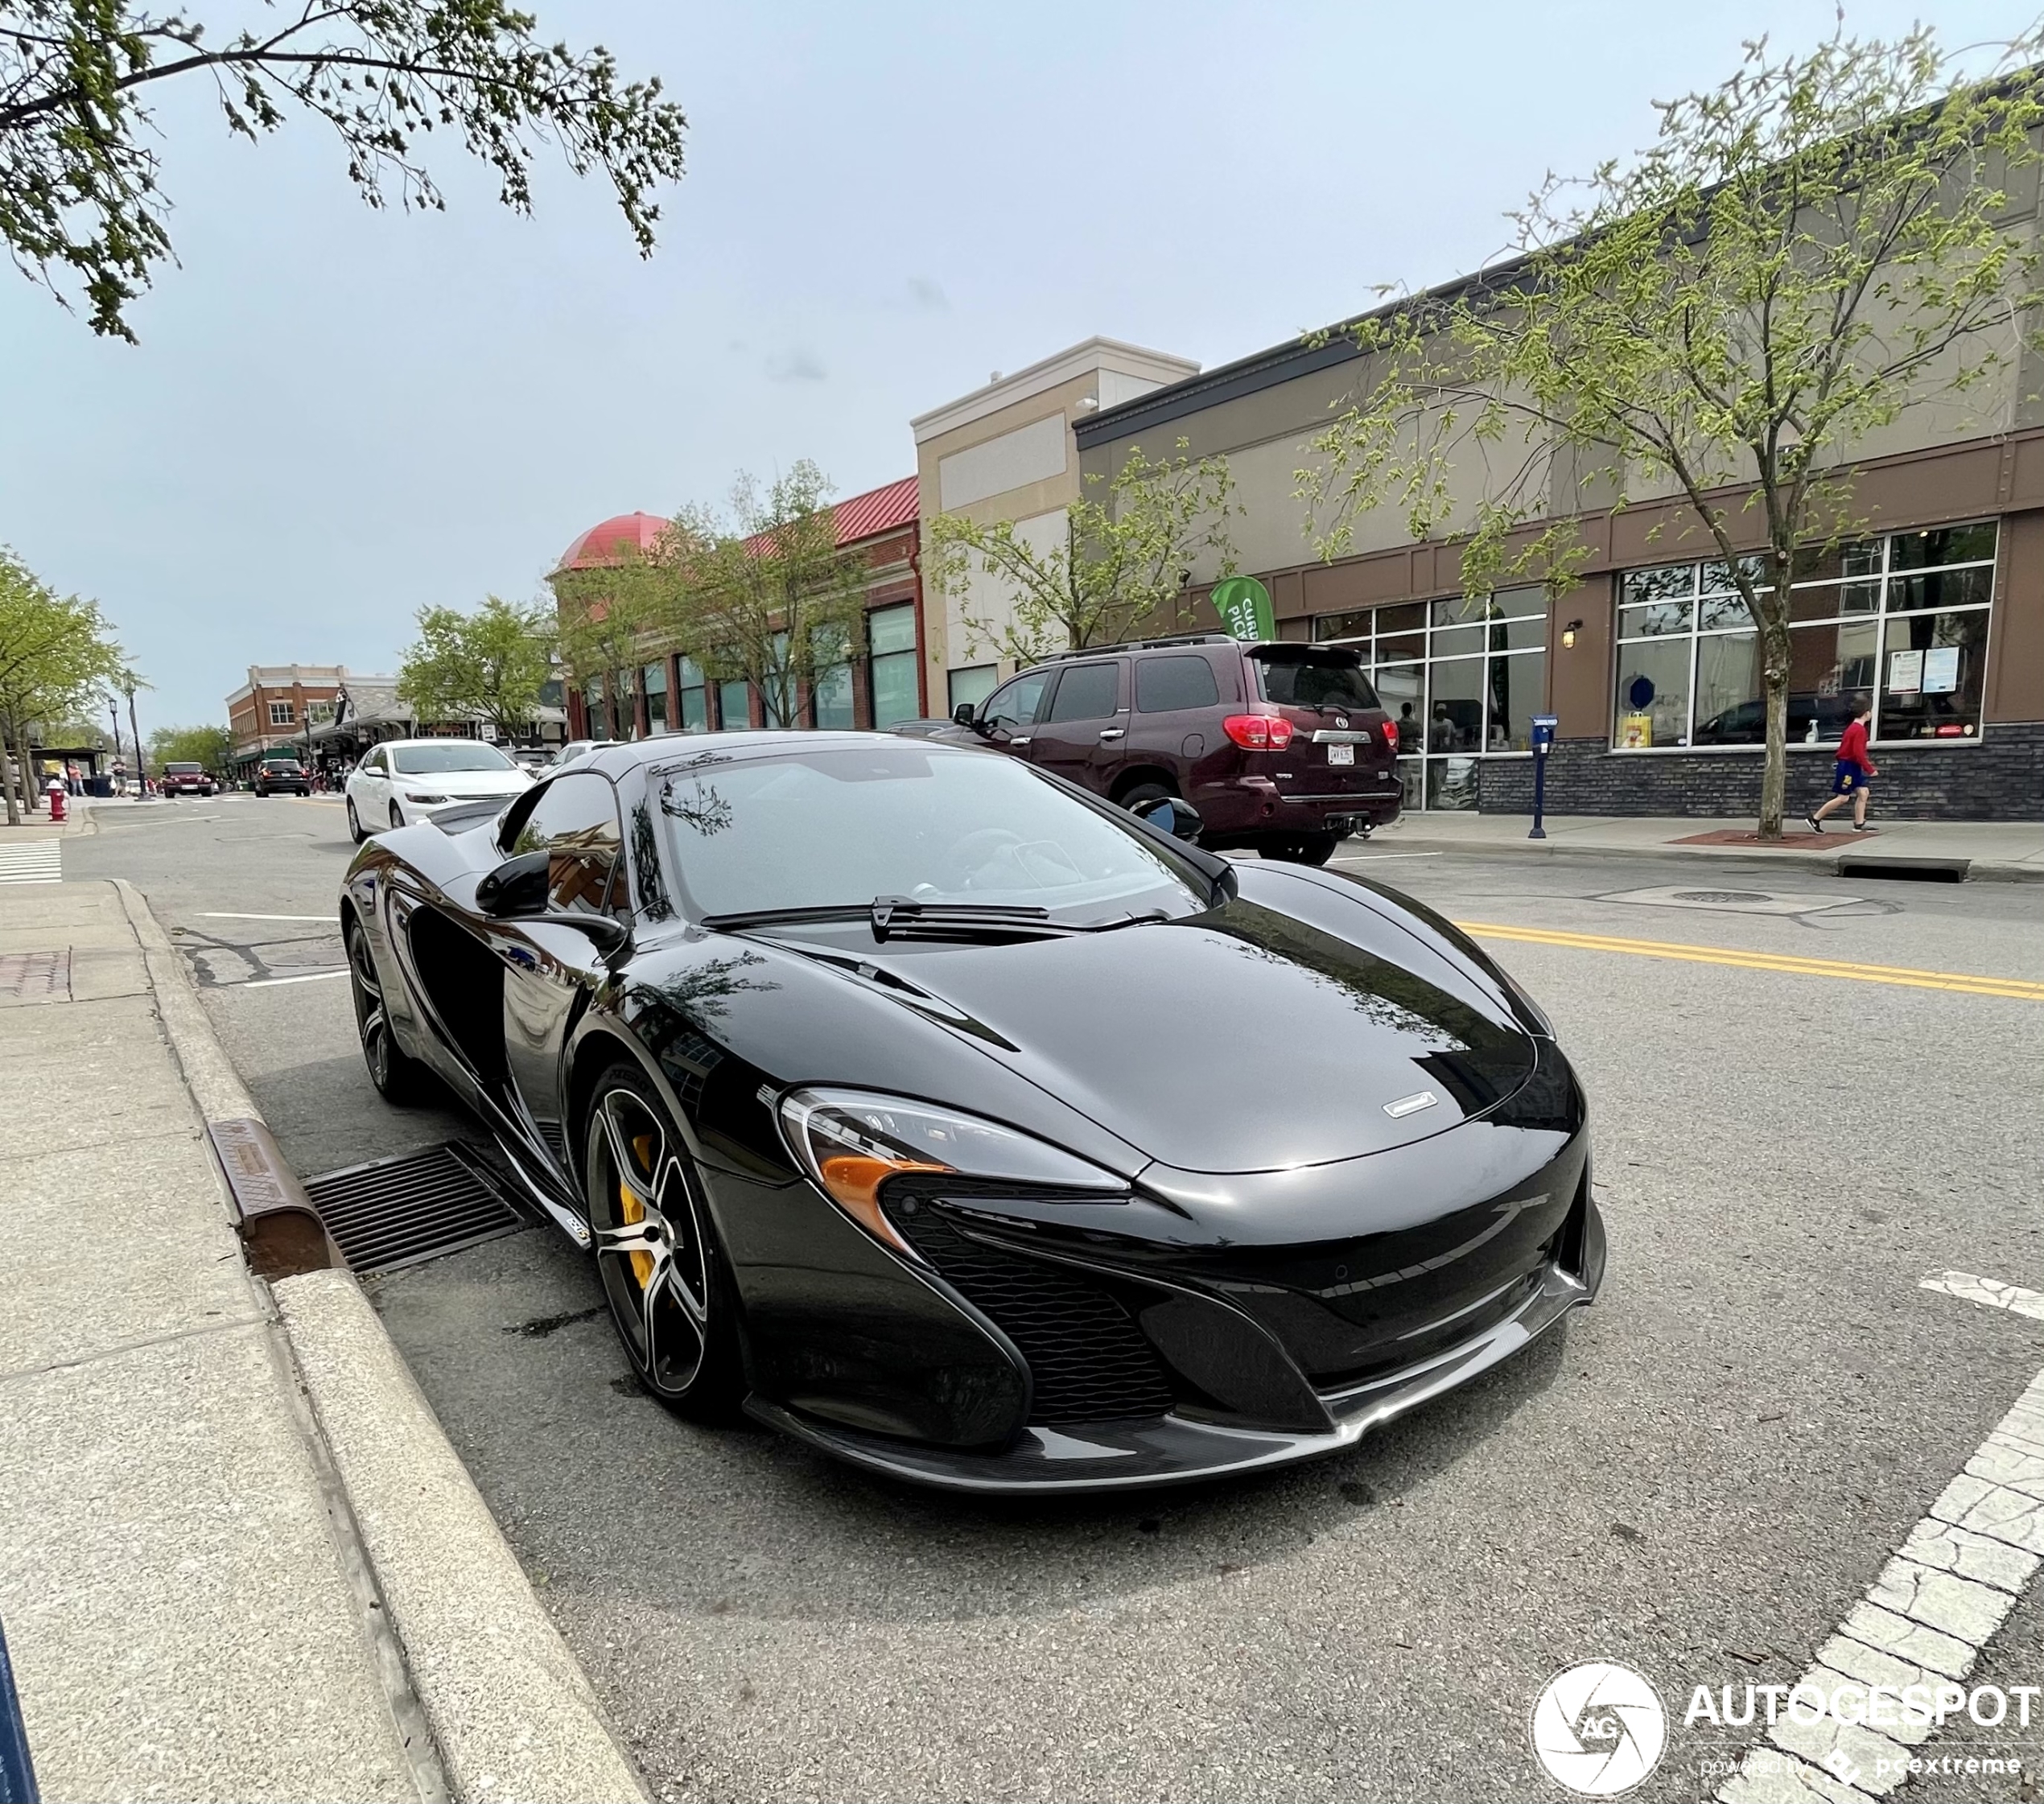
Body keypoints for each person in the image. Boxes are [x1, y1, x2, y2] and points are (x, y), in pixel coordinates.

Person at [1807, 696, 1877, 834]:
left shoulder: (1853, 728)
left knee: (1863, 792)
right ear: (1867, 713)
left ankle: (1859, 823)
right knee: (1843, 797)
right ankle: (1815, 819)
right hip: (1849, 767)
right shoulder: (1859, 730)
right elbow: (1858, 753)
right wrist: (1870, 769)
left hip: (1851, 766)